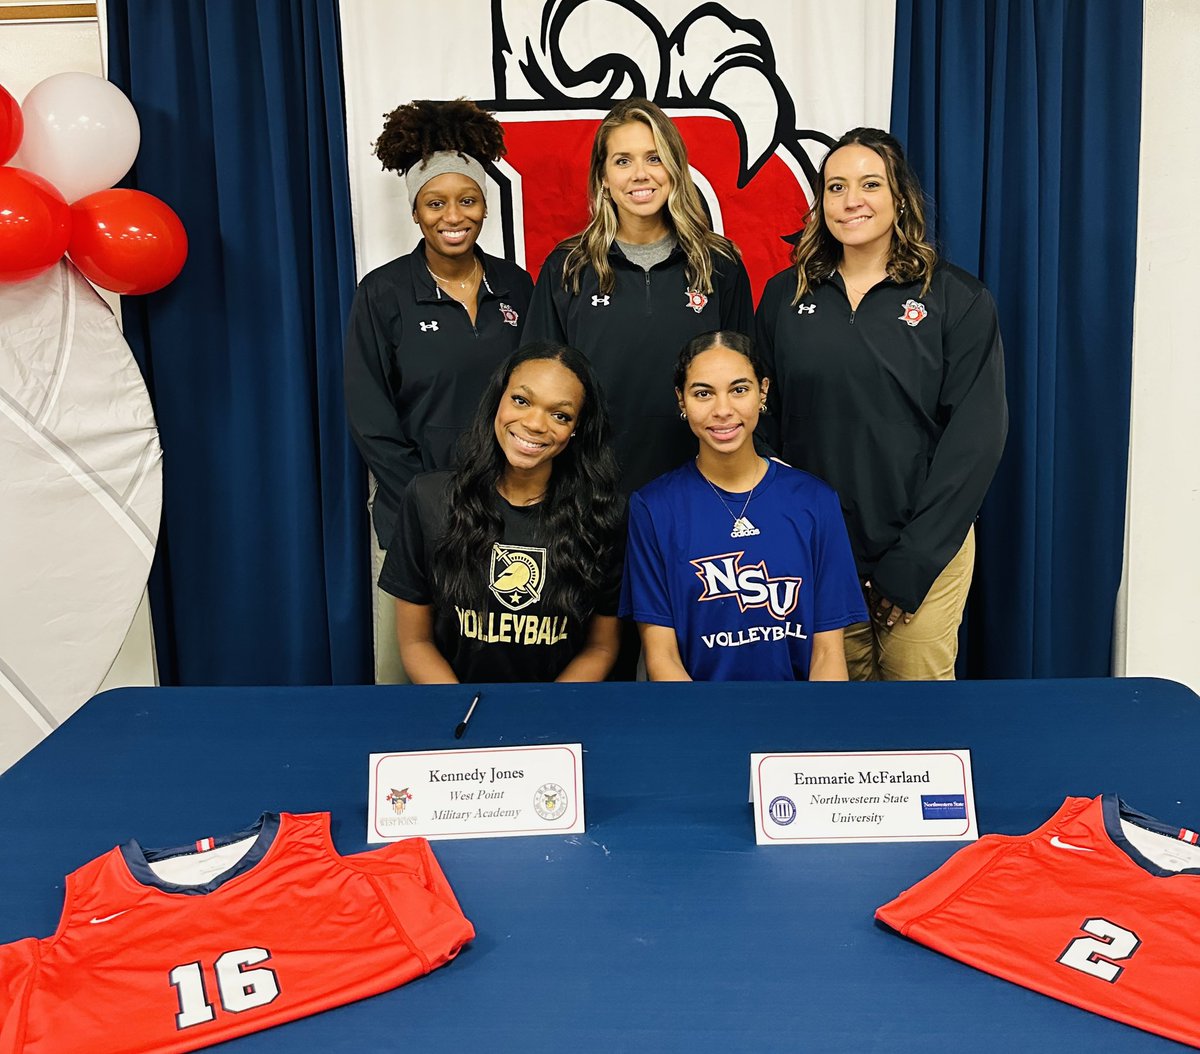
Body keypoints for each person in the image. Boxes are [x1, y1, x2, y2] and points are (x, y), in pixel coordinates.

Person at [755, 128, 1007, 681]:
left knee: (916, 727)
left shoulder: (955, 299)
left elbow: (976, 437)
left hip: (923, 552)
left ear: (901, 198)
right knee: (832, 727)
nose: (852, 201)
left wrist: (914, 561)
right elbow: (762, 424)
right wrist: (794, 537)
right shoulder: (784, 296)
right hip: (820, 555)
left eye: (870, 184)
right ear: (820, 204)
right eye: (835, 186)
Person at [344, 98, 533, 682]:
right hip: (415, 519)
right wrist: (432, 500)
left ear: (485, 207)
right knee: (410, 677)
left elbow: (539, 399)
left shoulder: (519, 287)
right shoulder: (384, 294)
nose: (453, 215)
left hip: (509, 520)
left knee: (505, 675)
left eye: (468, 200)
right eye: (436, 203)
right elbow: (370, 417)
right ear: (417, 213)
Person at [522, 97, 753, 496]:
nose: (640, 175)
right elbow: (538, 386)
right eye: (623, 161)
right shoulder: (568, 266)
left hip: (700, 486)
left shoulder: (719, 263)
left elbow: (745, 379)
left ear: (675, 169)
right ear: (604, 177)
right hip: (590, 491)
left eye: (654, 158)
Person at [620, 331, 866, 682]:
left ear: (762, 391)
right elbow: (662, 657)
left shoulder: (815, 501)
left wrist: (814, 734)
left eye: (739, 390)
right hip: (697, 721)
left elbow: (827, 653)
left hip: (794, 723)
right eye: (703, 393)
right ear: (681, 400)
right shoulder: (653, 508)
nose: (723, 410)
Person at [379, 342, 625, 683]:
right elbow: (416, 640)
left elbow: (601, 647)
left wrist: (544, 713)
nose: (535, 424)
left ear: (577, 429)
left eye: (560, 415)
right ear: (498, 400)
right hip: (457, 715)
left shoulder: (604, 515)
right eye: (521, 401)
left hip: (556, 717)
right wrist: (466, 713)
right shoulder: (428, 498)